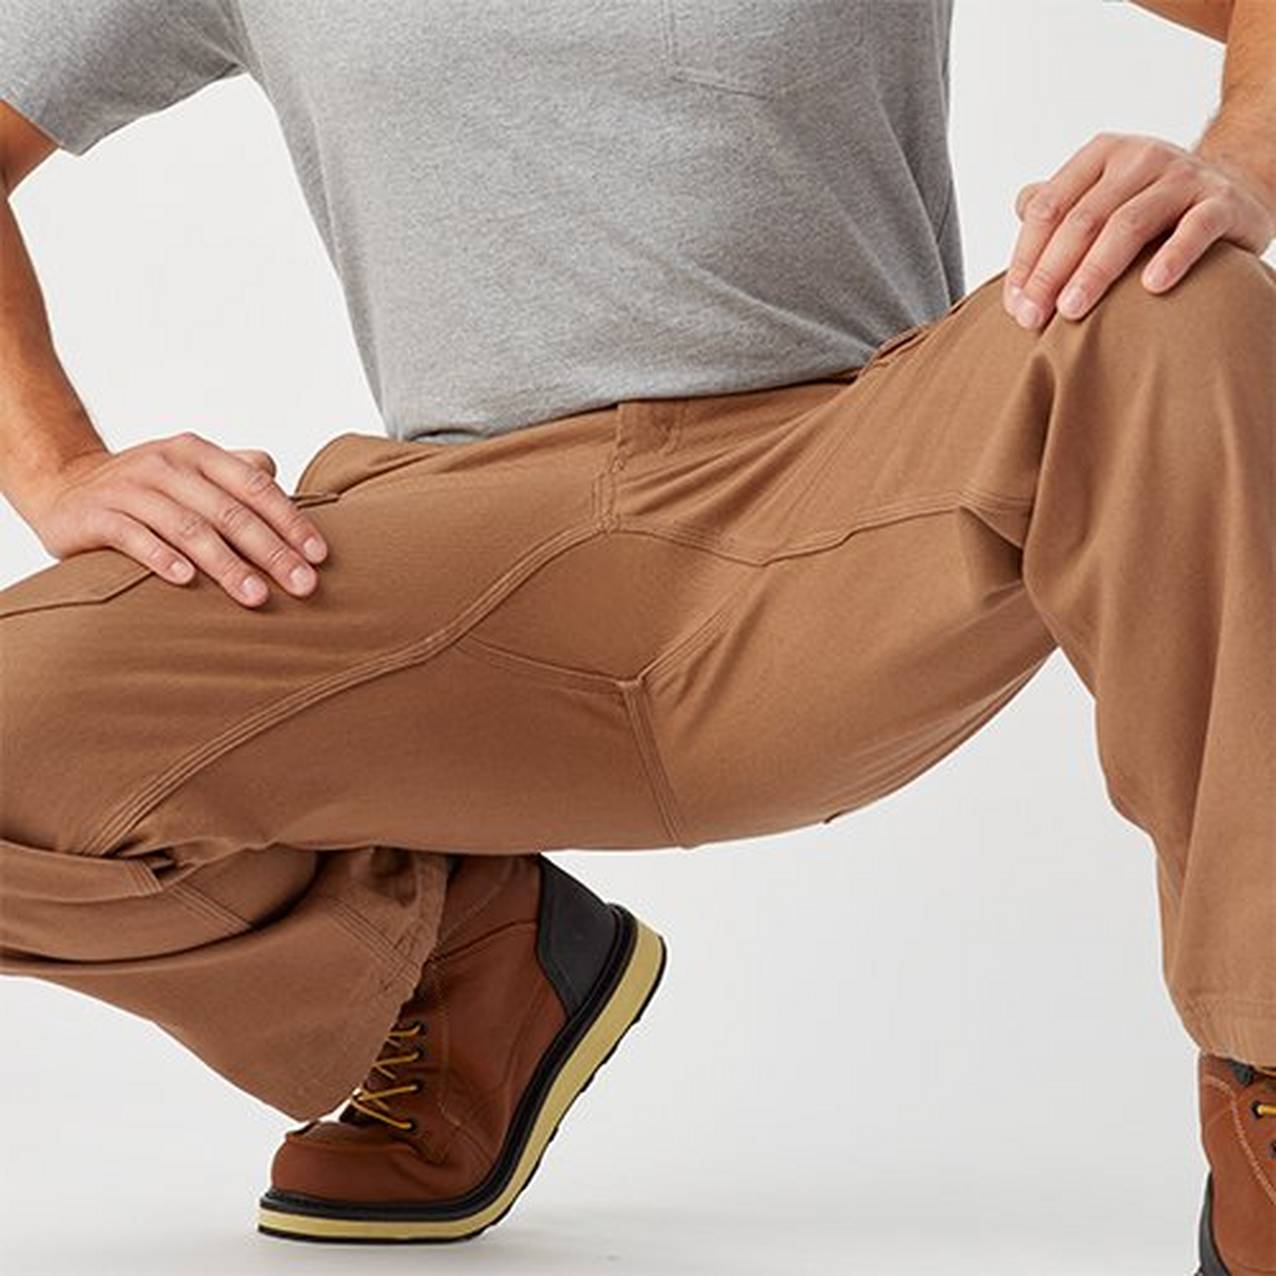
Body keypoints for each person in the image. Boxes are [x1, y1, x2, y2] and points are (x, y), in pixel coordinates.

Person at [0, 1, 1272, 1270]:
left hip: (863, 489)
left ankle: (1263, 1076)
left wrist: (1241, 162)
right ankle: (453, 958)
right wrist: (56, 465)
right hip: (466, 551)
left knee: (1175, 295)